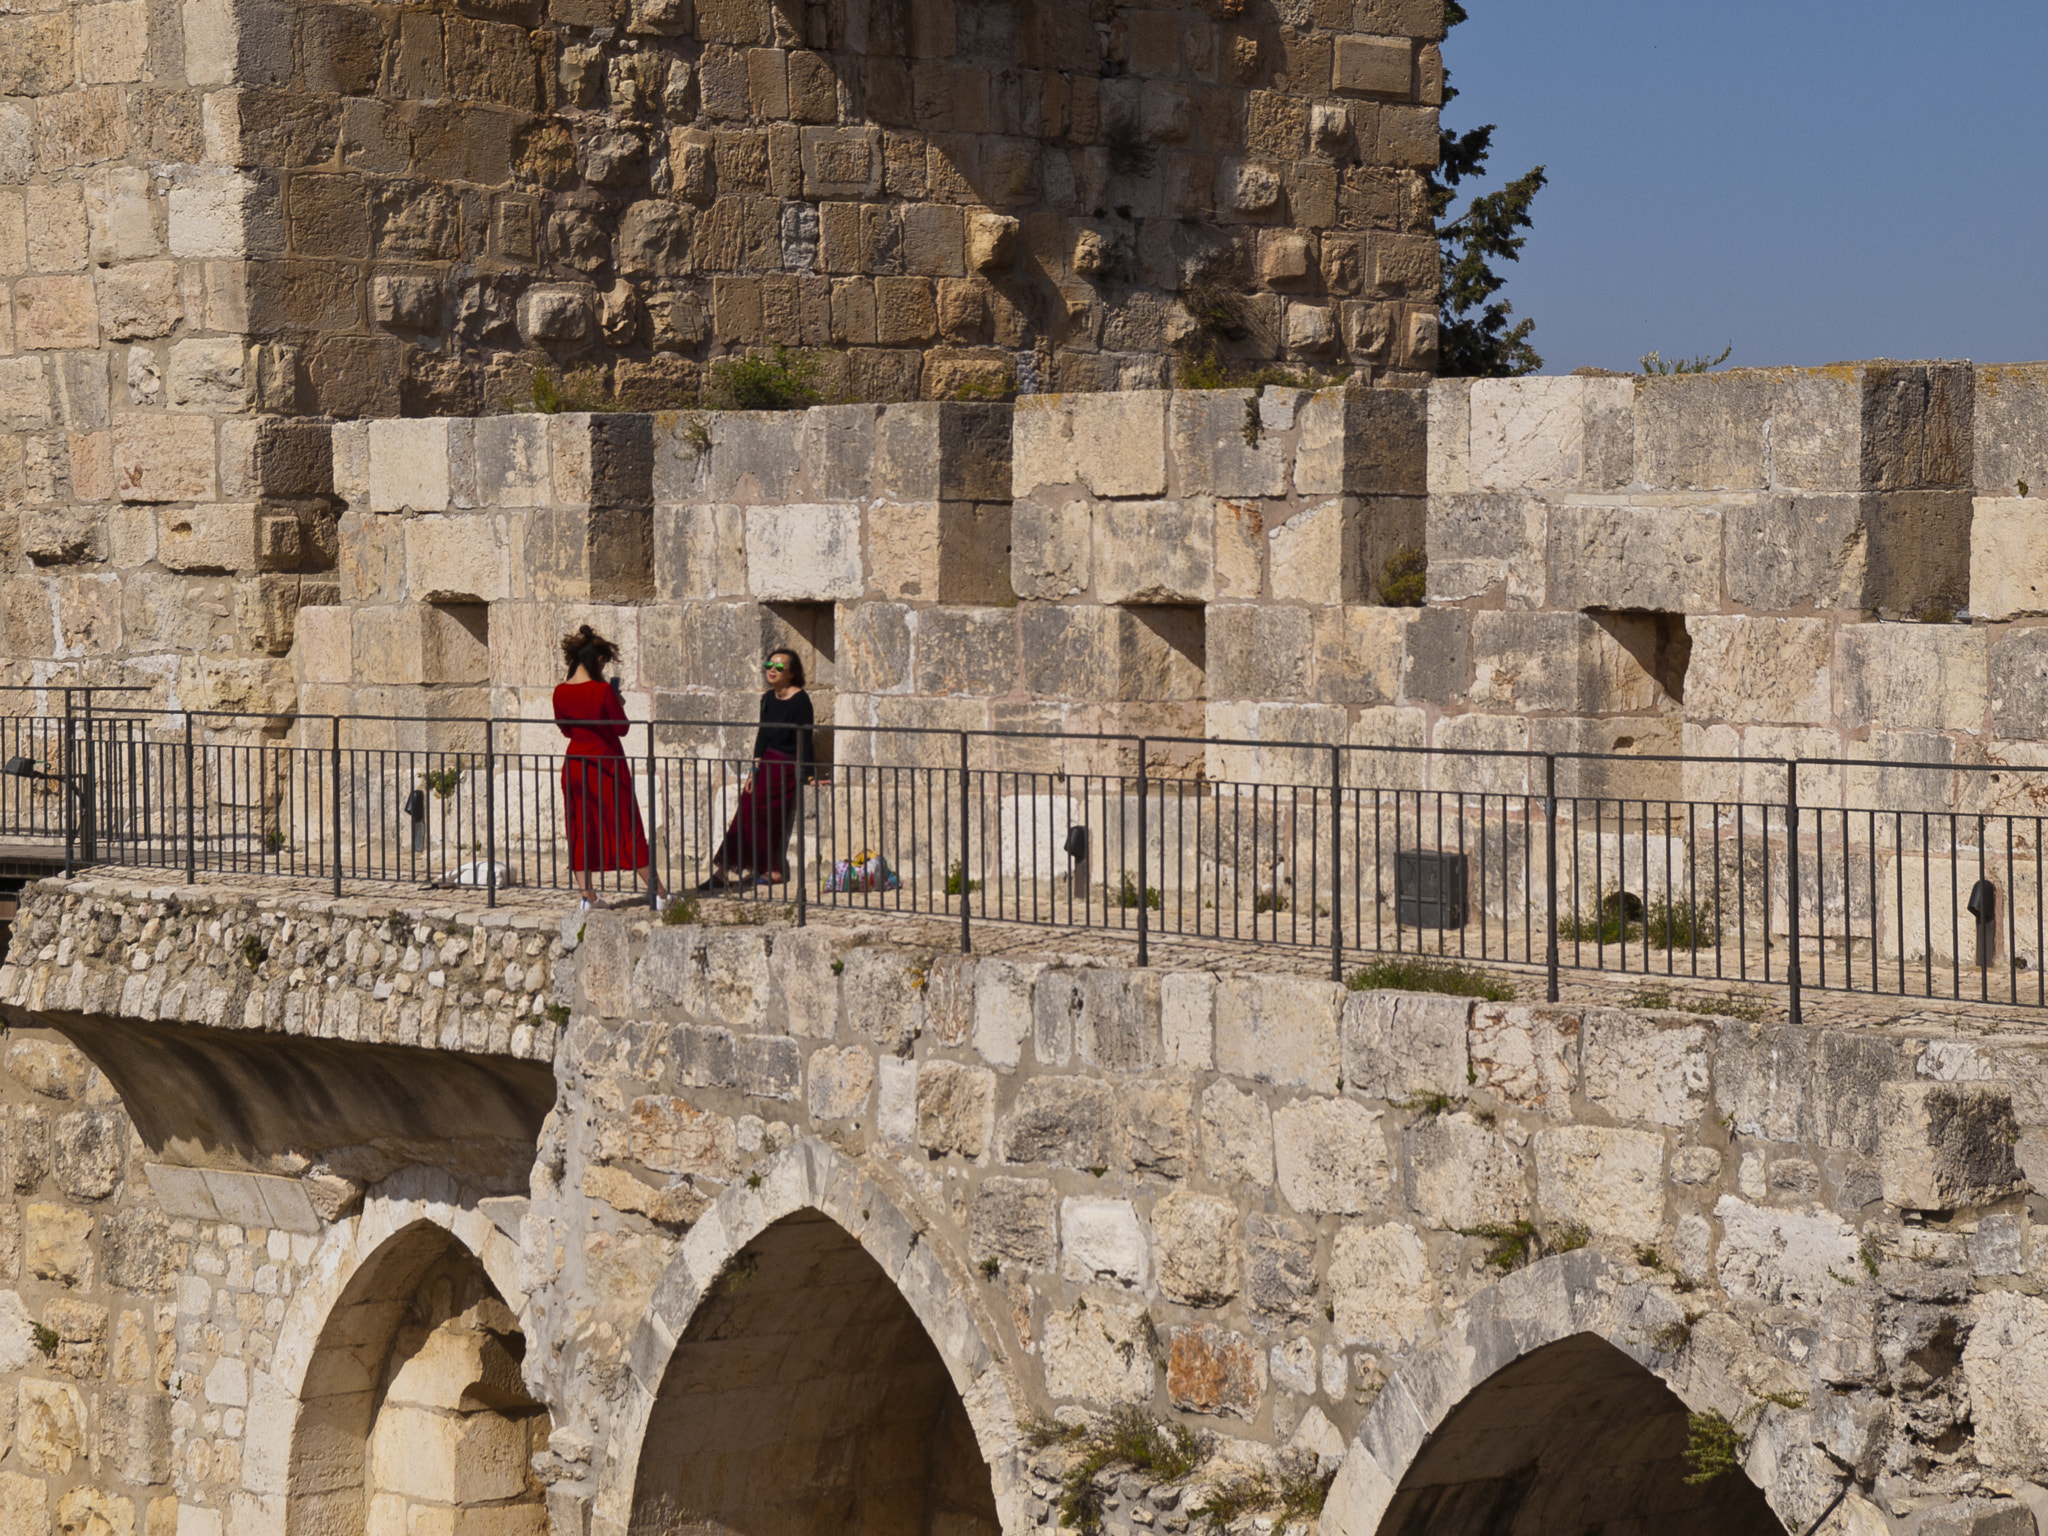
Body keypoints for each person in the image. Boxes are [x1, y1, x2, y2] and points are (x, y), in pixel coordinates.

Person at [553, 625, 665, 911]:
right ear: (599, 660)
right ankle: (660, 894)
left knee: (580, 828)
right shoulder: (602, 692)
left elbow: (566, 730)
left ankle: (587, 897)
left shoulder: (560, 692)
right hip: (606, 767)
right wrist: (618, 702)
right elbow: (622, 728)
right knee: (627, 825)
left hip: (575, 765)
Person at [701, 648, 819, 890]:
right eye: (769, 665)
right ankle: (727, 871)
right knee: (746, 812)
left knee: (761, 814)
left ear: (792, 673)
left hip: (785, 765)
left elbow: (804, 738)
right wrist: (753, 771)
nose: (772, 671)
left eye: (778, 667)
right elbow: (763, 735)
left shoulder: (800, 700)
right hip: (766, 764)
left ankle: (770, 870)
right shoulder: (767, 698)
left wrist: (809, 775)